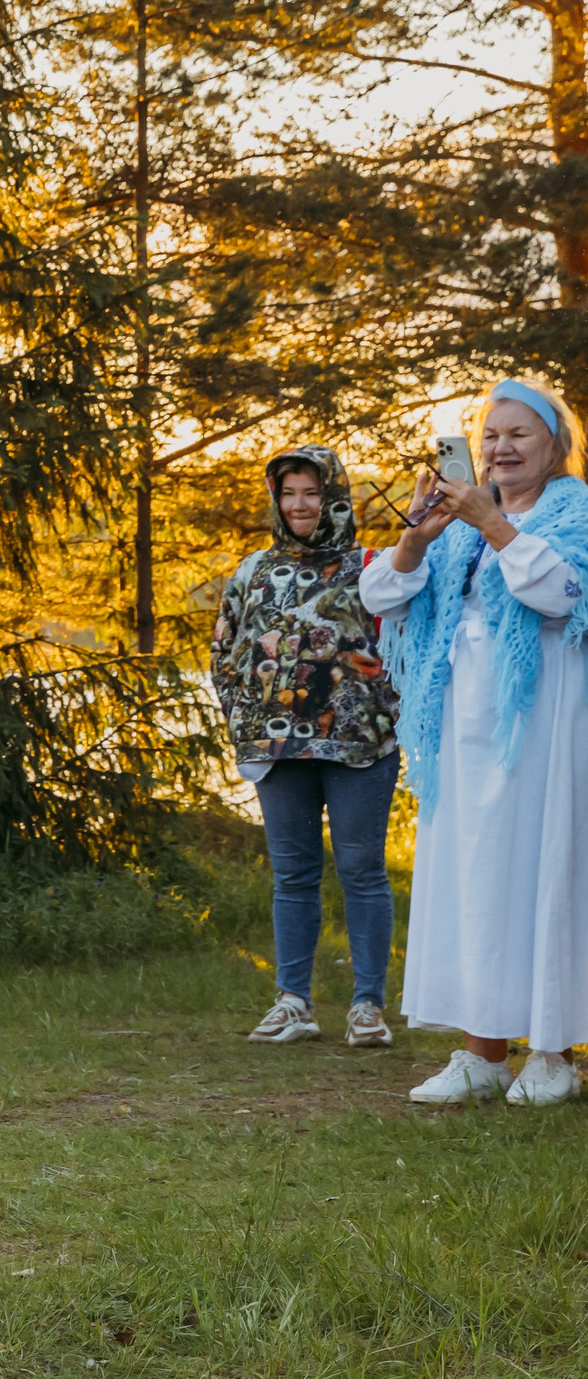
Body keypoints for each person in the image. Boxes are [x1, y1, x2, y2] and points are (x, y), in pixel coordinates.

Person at [361, 377, 588, 1107]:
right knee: (474, 878)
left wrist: (492, 522)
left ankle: (552, 1054)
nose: (501, 447)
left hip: (544, 723)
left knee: (540, 871)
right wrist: (417, 537)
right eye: (490, 435)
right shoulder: (455, 529)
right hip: (463, 732)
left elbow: (559, 595)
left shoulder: (575, 512)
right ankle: (481, 1051)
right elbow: (381, 600)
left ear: (554, 444)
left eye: (518, 434)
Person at [207, 446, 402, 1048]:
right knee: (292, 875)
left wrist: (388, 711)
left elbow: (407, 649)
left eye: (312, 493)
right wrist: (247, 720)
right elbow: (224, 652)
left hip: (358, 748)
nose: (299, 505)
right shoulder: (253, 571)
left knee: (362, 871)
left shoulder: (373, 568)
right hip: (278, 750)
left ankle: (368, 1007)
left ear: (335, 497)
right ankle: (294, 1003)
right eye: (289, 493)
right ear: (275, 497)